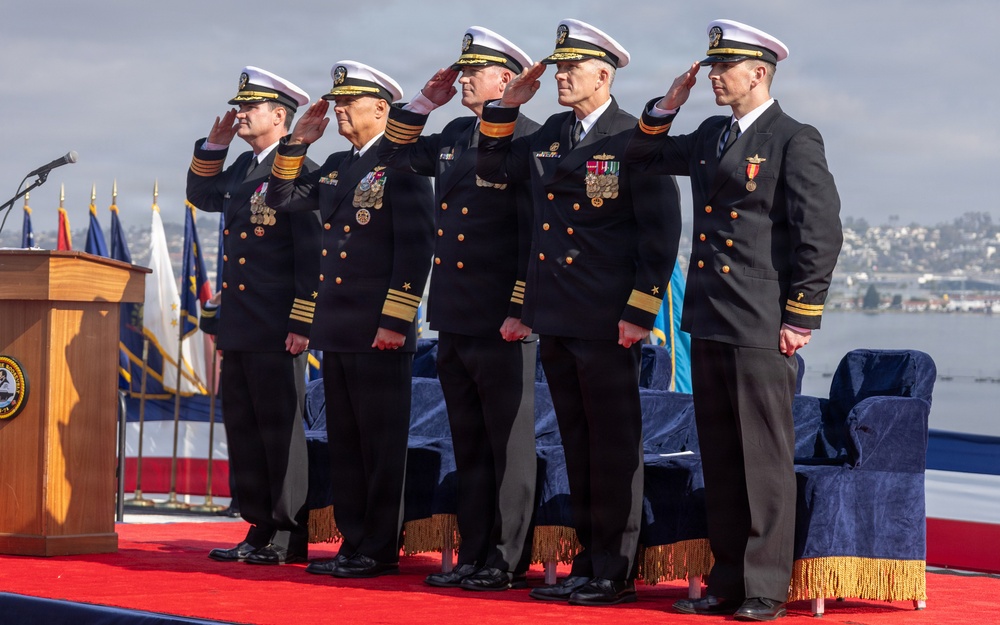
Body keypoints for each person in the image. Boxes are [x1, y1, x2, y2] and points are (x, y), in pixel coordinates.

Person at [625, 19, 843, 621]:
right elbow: (641, 155)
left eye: (725, 67)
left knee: (763, 460)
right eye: (713, 66)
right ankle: (728, 582)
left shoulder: (794, 138)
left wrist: (800, 316)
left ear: (759, 73)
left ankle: (766, 588)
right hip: (709, 317)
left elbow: (820, 232)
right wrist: (667, 106)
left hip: (760, 321)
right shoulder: (709, 134)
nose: (715, 76)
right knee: (721, 457)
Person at [476, 19, 681, 606]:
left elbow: (661, 232)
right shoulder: (549, 135)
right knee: (577, 442)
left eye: (572, 68)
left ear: (603, 76)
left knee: (613, 445)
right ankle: (588, 561)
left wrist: (641, 310)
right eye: (559, 67)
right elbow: (492, 170)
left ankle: (615, 569)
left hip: (608, 317)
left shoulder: (633, 137)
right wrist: (507, 108)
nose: (561, 76)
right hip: (557, 313)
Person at [378, 26, 540, 592]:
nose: (465, 79)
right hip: (453, 313)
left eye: (476, 71)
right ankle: (473, 552)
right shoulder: (451, 133)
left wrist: (522, 308)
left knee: (507, 444)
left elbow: (533, 235)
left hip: (502, 318)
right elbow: (392, 154)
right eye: (463, 70)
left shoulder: (529, 138)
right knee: (467, 442)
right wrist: (424, 103)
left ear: (508, 80)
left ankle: (506, 558)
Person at [265, 61, 435, 579]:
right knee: (346, 443)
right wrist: (298, 143)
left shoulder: (402, 162)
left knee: (380, 445)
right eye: (336, 103)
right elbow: (282, 197)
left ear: (381, 108)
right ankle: (353, 540)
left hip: (379, 329)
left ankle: (379, 548)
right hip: (337, 327)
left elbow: (416, 247)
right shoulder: (339, 163)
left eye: (348, 103)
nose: (339, 110)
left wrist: (396, 321)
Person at [186, 66, 322, 565]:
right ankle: (258, 525)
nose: (240, 114)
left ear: (280, 116)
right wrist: (214, 147)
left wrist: (302, 322)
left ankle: (288, 533)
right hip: (241, 323)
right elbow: (202, 196)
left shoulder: (300, 170)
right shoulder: (244, 167)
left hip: (278, 324)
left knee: (279, 430)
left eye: (250, 107)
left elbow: (312, 253)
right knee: (245, 429)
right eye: (239, 106)